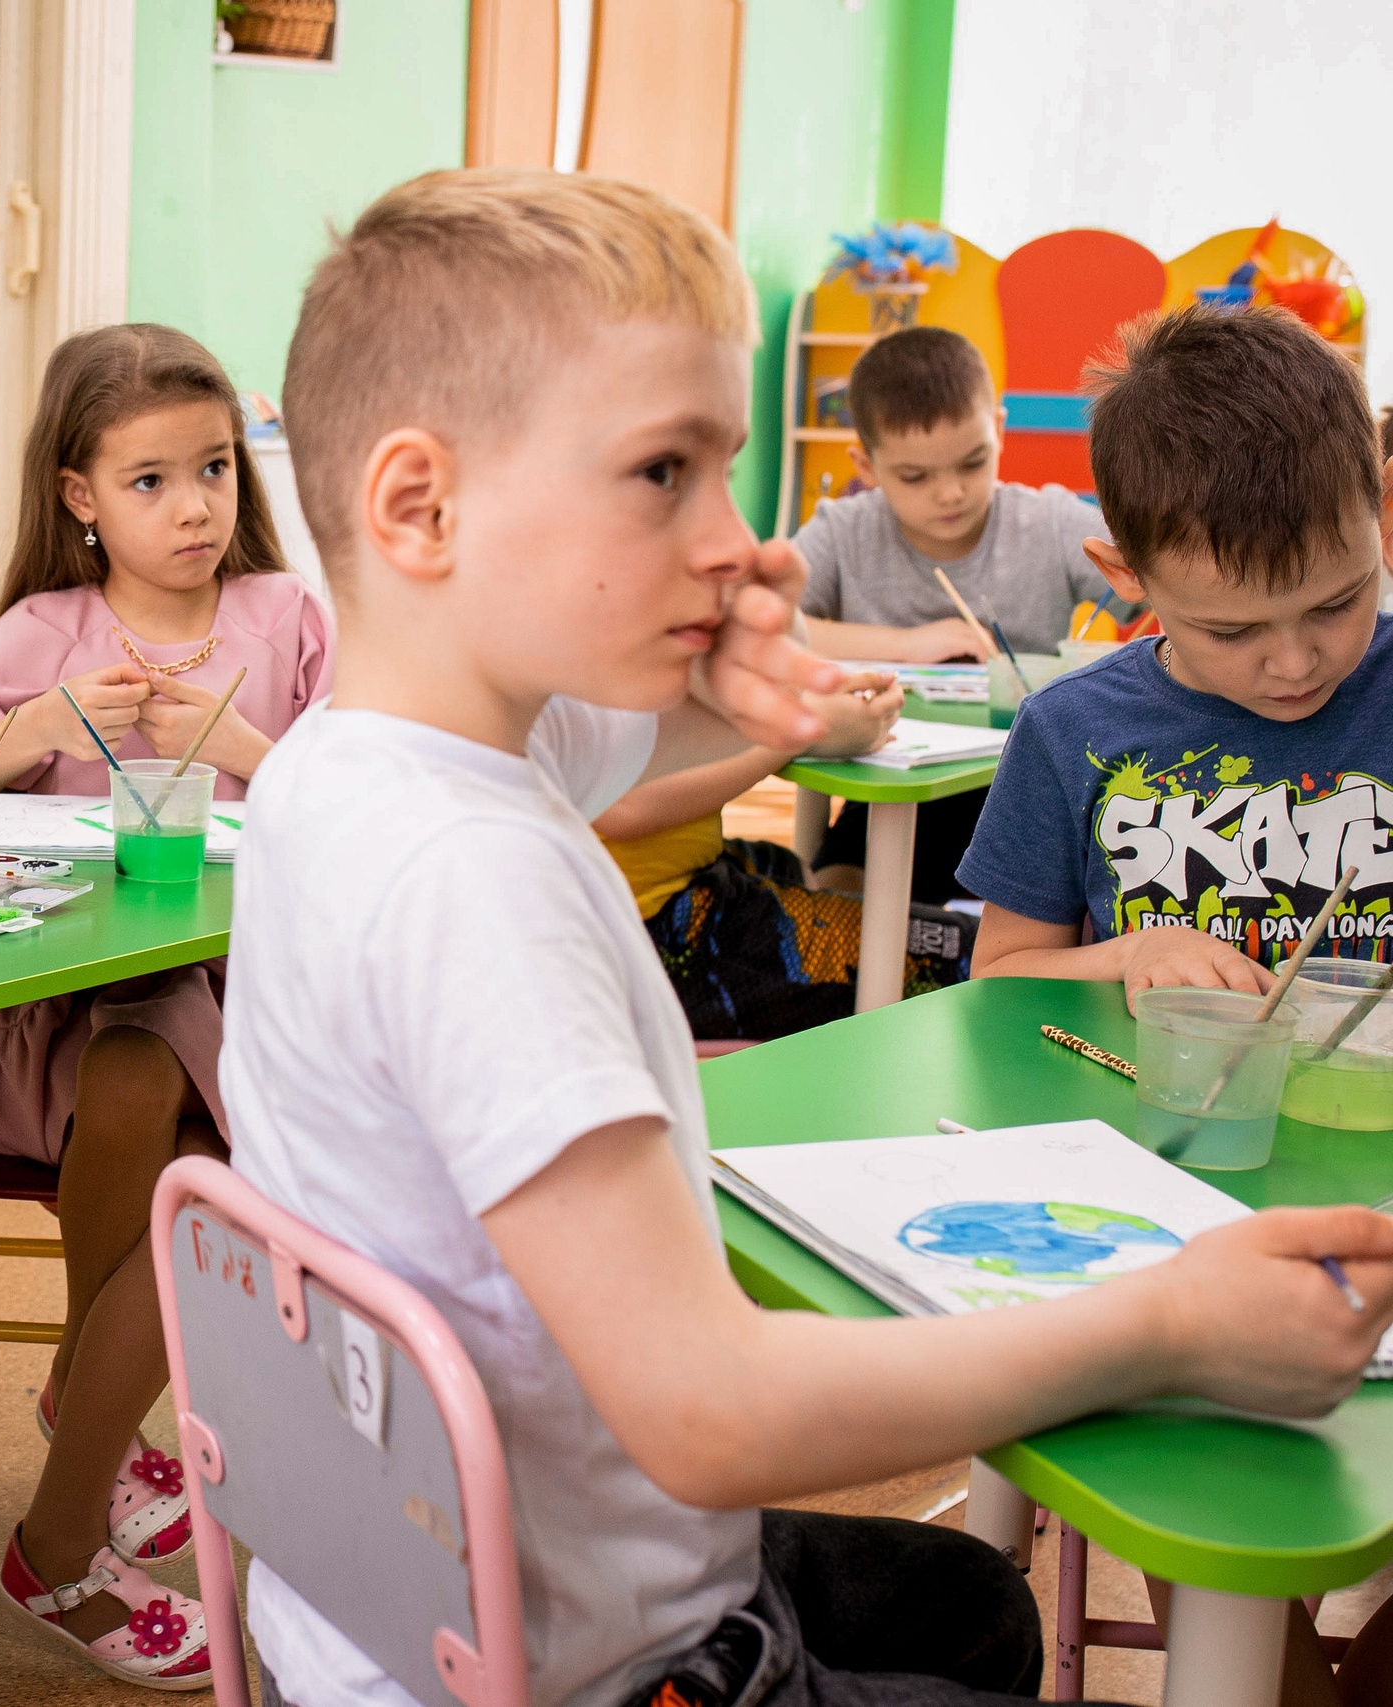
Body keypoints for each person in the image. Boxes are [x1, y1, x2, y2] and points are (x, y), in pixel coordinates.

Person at [224, 168, 1393, 1707]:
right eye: (666, 474)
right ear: (421, 505)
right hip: (593, 1660)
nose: (741, 541)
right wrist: (1160, 1324)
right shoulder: (470, 882)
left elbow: (614, 747)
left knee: (971, 1605)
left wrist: (730, 679)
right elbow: (711, 1410)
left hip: (396, 1602)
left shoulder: (354, 757)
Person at [0, 322, 330, 1689]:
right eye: (150, 481)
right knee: (156, 1113)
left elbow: (357, 801)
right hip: (43, 1028)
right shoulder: (44, 632)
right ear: (80, 496)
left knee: (171, 1116)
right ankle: (78, 1487)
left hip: (221, 1002)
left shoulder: (287, 619)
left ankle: (76, 1434)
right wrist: (44, 725)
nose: (196, 505)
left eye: (215, 467)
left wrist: (235, 743)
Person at [962, 304, 1393, 1006]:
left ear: (1385, 513)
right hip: (1145, 1107)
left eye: (1336, 604)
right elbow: (1000, 971)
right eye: (1232, 632)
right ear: (1127, 576)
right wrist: (1134, 951)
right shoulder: (1069, 730)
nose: (1293, 662)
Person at [799, 327, 1125, 900]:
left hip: (1026, 796)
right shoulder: (844, 530)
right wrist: (908, 645)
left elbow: (1155, 582)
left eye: (973, 463)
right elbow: (770, 627)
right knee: (837, 894)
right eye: (915, 476)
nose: (950, 493)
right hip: (889, 790)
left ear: (999, 431)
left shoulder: (1047, 522)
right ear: (866, 465)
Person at [592, 676, 978, 1038]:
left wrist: (796, 703)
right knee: (976, 960)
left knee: (790, 867)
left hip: (654, 881)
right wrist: (795, 730)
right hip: (641, 937)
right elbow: (623, 803)